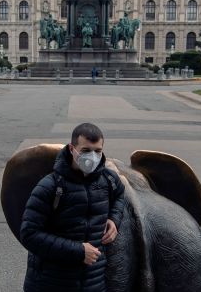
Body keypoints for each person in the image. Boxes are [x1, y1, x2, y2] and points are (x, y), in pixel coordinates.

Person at [20, 123, 125, 292]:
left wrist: (114, 218)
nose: (92, 156)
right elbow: (29, 234)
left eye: (98, 151)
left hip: (93, 282)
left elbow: (121, 195)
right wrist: (78, 251)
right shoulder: (50, 186)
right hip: (51, 283)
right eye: (85, 150)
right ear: (71, 148)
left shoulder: (108, 180)